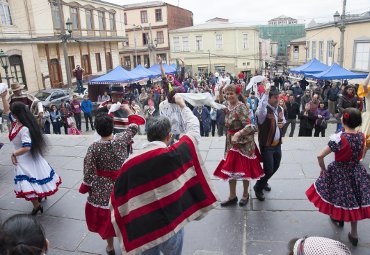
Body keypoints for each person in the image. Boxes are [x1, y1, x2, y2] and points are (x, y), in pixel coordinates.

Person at [110, 94, 218, 255]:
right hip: (171, 225)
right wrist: (183, 105)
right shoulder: (175, 154)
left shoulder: (129, 163)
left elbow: (119, 197)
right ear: (169, 136)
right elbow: (194, 129)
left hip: (145, 229)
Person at [306, 108, 370, 246]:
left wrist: (322, 169)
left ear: (343, 120)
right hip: (356, 172)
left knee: (338, 196)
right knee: (354, 202)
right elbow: (361, 154)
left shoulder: (339, 138)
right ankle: (354, 233)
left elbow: (320, 155)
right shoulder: (361, 136)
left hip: (340, 172)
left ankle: (338, 218)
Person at [79, 112, 138, 255]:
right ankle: (126, 244)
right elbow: (134, 127)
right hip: (122, 184)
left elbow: (88, 172)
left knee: (107, 218)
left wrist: (86, 185)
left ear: (96, 129)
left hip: (102, 188)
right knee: (123, 214)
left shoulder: (94, 148)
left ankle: (110, 247)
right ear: (112, 127)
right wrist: (129, 111)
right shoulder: (121, 139)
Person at [1, 90, 61, 215]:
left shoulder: (24, 129)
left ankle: (37, 205)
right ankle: (38, 201)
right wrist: (3, 97)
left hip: (24, 159)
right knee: (34, 181)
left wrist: (14, 154)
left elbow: (27, 147)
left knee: (27, 184)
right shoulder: (16, 122)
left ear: (17, 114)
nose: (10, 113)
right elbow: (7, 111)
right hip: (24, 159)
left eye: (13, 112)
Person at [214, 84, 264, 207]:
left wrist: (238, 134)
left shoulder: (242, 107)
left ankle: (245, 195)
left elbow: (250, 126)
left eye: (232, 93)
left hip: (244, 143)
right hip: (231, 142)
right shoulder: (227, 105)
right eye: (227, 94)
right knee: (230, 169)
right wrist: (220, 92)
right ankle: (232, 196)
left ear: (237, 94)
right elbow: (219, 102)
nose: (229, 96)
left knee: (244, 170)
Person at [254, 86, 285, 201]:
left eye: (278, 97)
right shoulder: (264, 111)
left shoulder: (280, 109)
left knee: (275, 166)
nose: (277, 99)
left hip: (277, 144)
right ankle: (258, 187)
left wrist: (282, 124)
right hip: (267, 145)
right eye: (275, 97)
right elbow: (260, 110)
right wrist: (265, 96)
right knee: (269, 169)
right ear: (269, 98)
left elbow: (283, 120)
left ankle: (264, 181)